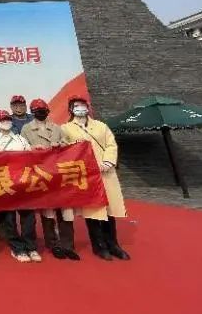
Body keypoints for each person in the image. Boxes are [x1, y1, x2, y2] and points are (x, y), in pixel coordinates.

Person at [61, 95, 130, 261]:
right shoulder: (65, 129)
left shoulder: (101, 126)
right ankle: (99, 246)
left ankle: (113, 244)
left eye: (83, 105)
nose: (80, 108)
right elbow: (65, 150)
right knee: (92, 211)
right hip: (86, 175)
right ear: (71, 109)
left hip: (105, 173)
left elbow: (111, 145)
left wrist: (108, 161)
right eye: (76, 105)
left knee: (109, 210)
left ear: (87, 107)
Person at [21, 99, 79, 260]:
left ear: (47, 111)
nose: (41, 113)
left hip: (59, 174)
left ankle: (68, 245)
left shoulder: (57, 128)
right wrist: (33, 149)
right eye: (37, 110)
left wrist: (59, 144)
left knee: (66, 211)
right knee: (48, 211)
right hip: (42, 174)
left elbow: (68, 145)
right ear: (33, 112)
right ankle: (53, 244)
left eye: (43, 110)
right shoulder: (26, 129)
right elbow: (22, 151)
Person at [0, 110, 42, 263]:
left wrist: (37, 150)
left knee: (28, 217)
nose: (5, 122)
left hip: (23, 182)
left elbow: (30, 155)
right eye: (2, 120)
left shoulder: (20, 138)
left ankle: (31, 246)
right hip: (4, 182)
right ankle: (17, 248)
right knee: (9, 219)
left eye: (7, 119)